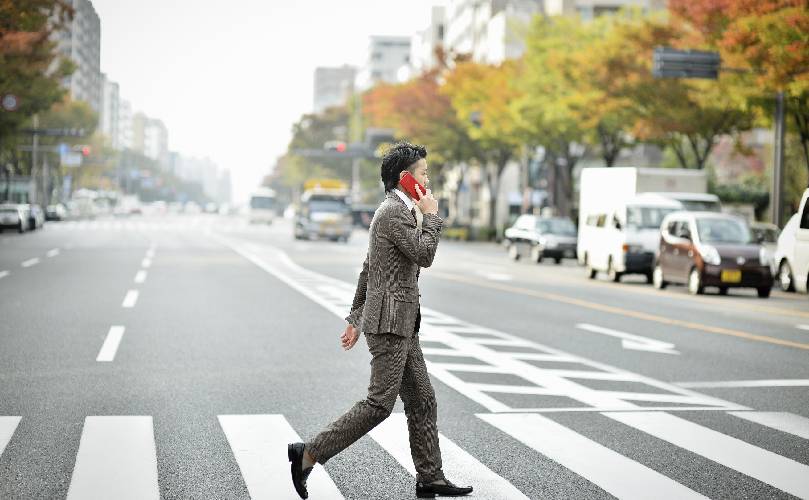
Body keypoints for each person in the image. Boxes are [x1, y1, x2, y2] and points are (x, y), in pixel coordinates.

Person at [287, 142, 473, 499]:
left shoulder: (398, 211)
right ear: (406, 179)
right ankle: (308, 453)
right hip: (390, 325)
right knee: (378, 405)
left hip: (400, 323)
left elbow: (369, 269)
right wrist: (433, 216)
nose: (428, 178)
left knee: (423, 400)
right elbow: (424, 254)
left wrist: (356, 317)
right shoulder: (393, 213)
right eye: (422, 172)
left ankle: (430, 477)